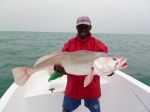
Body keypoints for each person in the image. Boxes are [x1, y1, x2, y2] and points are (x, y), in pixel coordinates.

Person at [54, 16, 108, 112]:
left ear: (90, 27)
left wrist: (109, 71)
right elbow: (61, 62)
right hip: (73, 87)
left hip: (91, 88)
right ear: (76, 28)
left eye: (85, 26)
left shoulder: (99, 45)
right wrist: (59, 69)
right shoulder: (69, 44)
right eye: (80, 27)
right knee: (66, 110)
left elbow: (105, 65)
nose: (83, 29)